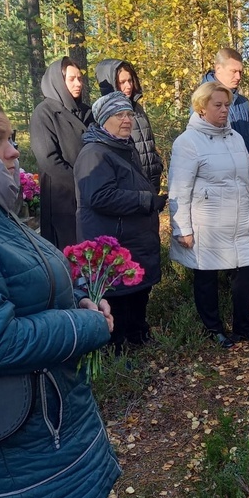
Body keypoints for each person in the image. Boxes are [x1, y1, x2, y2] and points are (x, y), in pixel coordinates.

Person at [0, 102, 119, 498]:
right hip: (12, 441)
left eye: (9, 138)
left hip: (26, 425)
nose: (11, 151)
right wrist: (84, 325)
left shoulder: (3, 216)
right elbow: (2, 338)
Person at [168, 83, 249, 349]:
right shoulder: (187, 143)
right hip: (207, 224)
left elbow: (246, 183)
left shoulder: (235, 137)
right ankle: (213, 328)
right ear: (201, 109)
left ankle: (244, 326)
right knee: (206, 277)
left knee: (246, 272)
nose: (225, 110)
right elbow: (178, 190)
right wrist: (182, 229)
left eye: (227, 105)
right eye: (218, 105)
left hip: (238, 222)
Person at [74, 92, 165, 353]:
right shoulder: (94, 153)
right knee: (117, 295)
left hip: (132, 238)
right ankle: (118, 347)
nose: (127, 120)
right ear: (104, 120)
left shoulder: (124, 148)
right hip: (112, 241)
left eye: (129, 114)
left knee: (137, 290)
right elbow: (99, 196)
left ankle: (138, 335)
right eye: (119, 115)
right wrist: (145, 200)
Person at [30, 57, 93, 249]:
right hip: (62, 196)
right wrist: (81, 185)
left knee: (92, 250)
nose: (78, 83)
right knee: (69, 250)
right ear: (59, 81)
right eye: (72, 79)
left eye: (80, 78)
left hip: (90, 194)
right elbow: (49, 159)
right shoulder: (44, 113)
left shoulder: (86, 112)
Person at [95, 58, 164, 193]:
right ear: (112, 84)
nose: (128, 86)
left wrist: (157, 164)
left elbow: (148, 141)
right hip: (130, 186)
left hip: (151, 182)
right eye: (122, 82)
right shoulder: (105, 115)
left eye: (130, 80)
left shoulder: (137, 109)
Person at [201, 48, 249, 166]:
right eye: (233, 71)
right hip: (215, 175)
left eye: (240, 72)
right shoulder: (203, 99)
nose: (238, 77)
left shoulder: (243, 102)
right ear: (218, 69)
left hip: (243, 172)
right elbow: (202, 140)